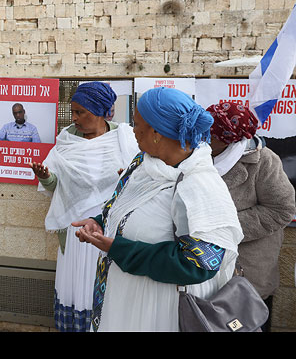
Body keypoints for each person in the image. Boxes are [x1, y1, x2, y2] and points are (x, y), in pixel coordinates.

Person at [73, 87, 243, 332]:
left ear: (156, 132)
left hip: (159, 310)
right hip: (125, 299)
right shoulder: (143, 163)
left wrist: (117, 248)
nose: (132, 130)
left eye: (136, 124)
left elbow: (199, 265)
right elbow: (125, 204)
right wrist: (101, 221)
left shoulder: (199, 184)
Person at [31, 82, 139, 332]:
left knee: (103, 285)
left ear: (100, 111)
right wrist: (45, 176)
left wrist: (127, 178)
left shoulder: (123, 138)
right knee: (75, 286)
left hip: (108, 231)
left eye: (81, 112)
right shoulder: (66, 141)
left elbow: (137, 180)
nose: (75, 118)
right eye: (73, 112)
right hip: (75, 231)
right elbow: (56, 186)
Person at [207, 101, 295, 332]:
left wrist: (225, 227)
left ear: (226, 137)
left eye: (208, 133)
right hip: (206, 268)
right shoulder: (200, 156)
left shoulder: (264, 161)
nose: (202, 137)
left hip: (248, 270)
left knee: (248, 325)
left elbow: (282, 209)